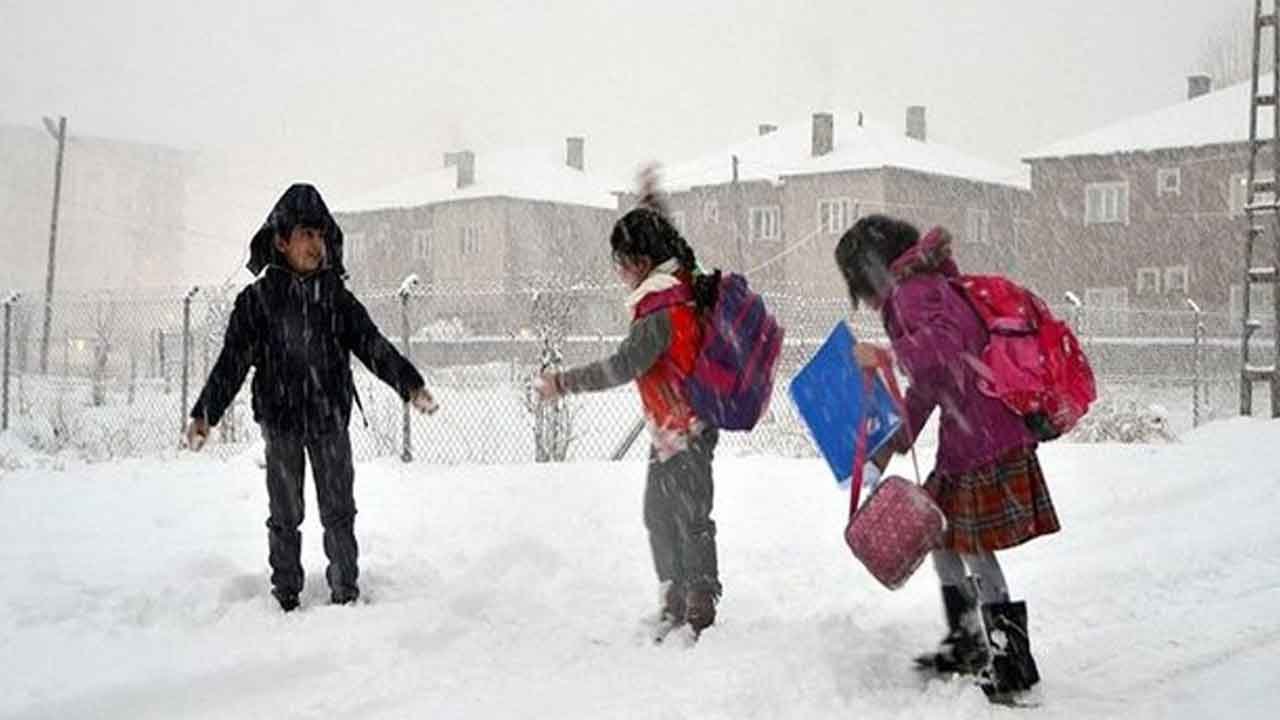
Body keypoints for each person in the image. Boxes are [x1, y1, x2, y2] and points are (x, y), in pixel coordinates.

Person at [184, 183, 438, 612]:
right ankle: (285, 595)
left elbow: (372, 345)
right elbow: (232, 363)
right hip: (280, 422)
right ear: (281, 241)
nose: (315, 245)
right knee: (285, 514)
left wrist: (409, 384)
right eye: (306, 235)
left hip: (328, 420)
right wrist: (206, 414)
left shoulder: (335, 299)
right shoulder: (257, 303)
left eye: (321, 236)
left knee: (340, 510)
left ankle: (346, 592)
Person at [835, 215, 1058, 699]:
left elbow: (943, 347)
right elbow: (929, 386)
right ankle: (969, 642)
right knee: (944, 536)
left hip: (983, 437)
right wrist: (888, 449)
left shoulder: (914, 292)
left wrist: (887, 355)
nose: (863, 297)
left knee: (975, 546)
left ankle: (1010, 663)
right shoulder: (920, 288)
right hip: (971, 434)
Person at [535, 204, 722, 638]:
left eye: (620, 263)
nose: (618, 273)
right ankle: (680, 593)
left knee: (688, 516)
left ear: (639, 262)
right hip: (678, 426)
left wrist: (562, 383)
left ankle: (697, 601)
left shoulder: (660, 307)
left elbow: (624, 365)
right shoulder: (681, 284)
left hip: (685, 426)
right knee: (663, 513)